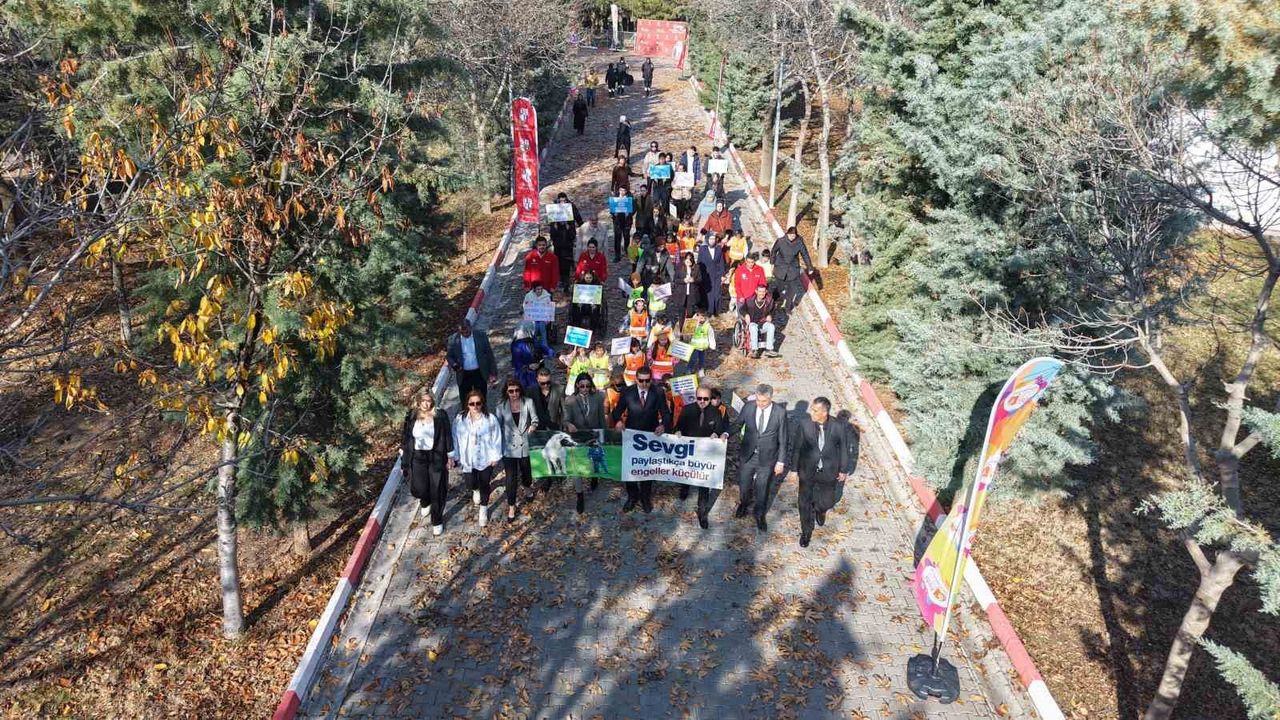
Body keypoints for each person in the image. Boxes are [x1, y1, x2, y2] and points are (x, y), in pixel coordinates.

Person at [787, 396, 856, 547]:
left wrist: (843, 469)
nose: (811, 412)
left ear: (824, 413)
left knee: (828, 501)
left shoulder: (838, 427)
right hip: (807, 470)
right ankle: (806, 531)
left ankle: (820, 509)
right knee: (803, 502)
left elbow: (844, 449)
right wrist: (793, 470)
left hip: (829, 471)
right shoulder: (804, 425)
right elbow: (797, 448)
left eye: (815, 410)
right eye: (812, 409)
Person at [611, 365, 673, 513]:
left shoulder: (658, 392)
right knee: (630, 467)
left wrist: (663, 425)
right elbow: (616, 411)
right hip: (631, 436)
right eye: (641, 381)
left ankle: (645, 497)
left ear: (651, 379)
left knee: (647, 468)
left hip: (650, 436)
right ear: (636, 379)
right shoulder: (627, 392)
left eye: (647, 381)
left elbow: (666, 413)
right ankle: (632, 496)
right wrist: (618, 421)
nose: (644, 384)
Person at [730, 384, 788, 532]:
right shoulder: (749, 407)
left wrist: (780, 461)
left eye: (764, 401)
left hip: (767, 458)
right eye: (758, 400)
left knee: (762, 488)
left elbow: (783, 439)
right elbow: (738, 424)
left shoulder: (780, 413)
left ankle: (760, 514)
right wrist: (725, 434)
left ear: (771, 398)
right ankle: (744, 503)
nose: (760, 404)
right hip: (748, 455)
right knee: (744, 484)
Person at [674, 387, 729, 528]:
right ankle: (684, 488)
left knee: (704, 485)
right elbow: (678, 426)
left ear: (710, 399)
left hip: (706, 454)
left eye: (706, 399)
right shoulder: (687, 410)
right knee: (686, 474)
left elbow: (720, 428)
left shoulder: (716, 412)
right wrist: (678, 431)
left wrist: (717, 433)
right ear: (695, 397)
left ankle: (702, 513)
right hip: (689, 452)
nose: (702, 401)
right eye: (699, 398)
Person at [401, 390, 452, 536]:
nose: (426, 404)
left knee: (437, 489)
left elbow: (447, 435)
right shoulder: (411, 415)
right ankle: (425, 500)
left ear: (432, 401)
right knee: (419, 489)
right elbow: (406, 436)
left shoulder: (440, 415)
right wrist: (404, 456)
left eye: (428, 400)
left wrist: (450, 455)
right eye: (423, 400)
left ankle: (437, 520)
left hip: (436, 455)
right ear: (418, 401)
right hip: (417, 456)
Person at [450, 388, 502, 527]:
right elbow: (455, 437)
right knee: (470, 483)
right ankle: (475, 490)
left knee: (485, 484)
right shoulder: (460, 419)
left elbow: (497, 437)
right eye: (472, 403)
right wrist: (455, 455)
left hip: (485, 458)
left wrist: (495, 456)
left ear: (482, 404)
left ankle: (483, 510)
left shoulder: (490, 419)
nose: (475, 406)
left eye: (478, 403)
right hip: (468, 459)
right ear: (467, 405)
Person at [563, 372, 606, 514]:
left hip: (593, 436)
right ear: (577, 385)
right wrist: (569, 424)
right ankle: (580, 495)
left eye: (588, 386)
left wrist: (604, 435)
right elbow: (565, 419)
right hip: (577, 437)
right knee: (577, 467)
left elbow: (601, 418)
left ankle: (594, 478)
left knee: (594, 460)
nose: (585, 389)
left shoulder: (598, 397)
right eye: (582, 386)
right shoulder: (570, 400)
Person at [498, 379, 538, 520]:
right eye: (511, 391)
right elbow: (498, 427)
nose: (514, 393)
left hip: (524, 444)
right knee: (511, 478)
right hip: (509, 447)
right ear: (506, 392)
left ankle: (527, 487)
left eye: (517, 390)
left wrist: (533, 426)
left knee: (526, 471)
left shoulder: (528, 402)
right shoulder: (501, 407)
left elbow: (535, 418)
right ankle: (511, 505)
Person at [446, 319, 496, 405]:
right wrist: (454, 365)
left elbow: (489, 354)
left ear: (471, 327)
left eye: (467, 331)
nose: (465, 333)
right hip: (463, 374)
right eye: (462, 332)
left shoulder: (481, 336)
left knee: (481, 398)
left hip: (479, 373)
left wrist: (493, 373)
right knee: (465, 400)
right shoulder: (453, 339)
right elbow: (449, 356)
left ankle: (483, 412)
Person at [771, 226, 814, 311]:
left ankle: (788, 307)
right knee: (779, 287)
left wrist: (809, 267)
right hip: (781, 267)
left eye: (793, 236)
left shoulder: (799, 242)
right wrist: (772, 263)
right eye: (790, 235)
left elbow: (805, 254)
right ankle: (773, 303)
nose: (792, 237)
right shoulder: (780, 241)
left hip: (793, 269)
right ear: (787, 234)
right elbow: (773, 251)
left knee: (792, 289)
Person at [548, 193, 584, 291]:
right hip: (557, 239)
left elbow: (578, 217)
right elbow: (551, 223)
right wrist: (554, 227)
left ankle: (566, 280)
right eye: (561, 201)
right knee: (558, 259)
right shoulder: (554, 208)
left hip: (568, 238)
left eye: (564, 201)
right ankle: (561, 278)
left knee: (567, 259)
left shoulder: (571, 206)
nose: (562, 203)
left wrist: (581, 225)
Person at [669, 251, 707, 324]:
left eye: (690, 259)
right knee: (681, 314)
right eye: (687, 259)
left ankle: (689, 328)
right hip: (681, 294)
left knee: (690, 313)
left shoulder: (696, 268)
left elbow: (700, 279)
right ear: (684, 260)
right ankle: (681, 328)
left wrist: (694, 280)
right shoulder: (680, 267)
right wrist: (683, 280)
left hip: (692, 294)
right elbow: (675, 280)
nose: (688, 261)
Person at [527, 366, 565, 437]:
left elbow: (564, 410)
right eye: (542, 383)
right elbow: (528, 412)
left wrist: (565, 424)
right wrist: (530, 425)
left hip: (554, 430)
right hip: (537, 430)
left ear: (551, 378)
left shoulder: (559, 389)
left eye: (548, 382)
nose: (546, 385)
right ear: (537, 380)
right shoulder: (530, 392)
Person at [741, 285, 777, 357]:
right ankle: (754, 350)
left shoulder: (769, 301)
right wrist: (746, 315)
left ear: (766, 292)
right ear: (756, 291)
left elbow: (773, 311)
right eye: (760, 291)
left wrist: (770, 315)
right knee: (753, 327)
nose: (762, 293)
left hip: (763, 322)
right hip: (752, 322)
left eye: (763, 291)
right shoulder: (749, 300)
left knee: (771, 326)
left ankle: (769, 349)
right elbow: (742, 309)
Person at [568, 268, 606, 335]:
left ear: (592, 278)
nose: (588, 279)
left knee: (595, 311)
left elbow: (599, 297)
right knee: (576, 310)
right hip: (581, 304)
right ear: (584, 277)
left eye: (590, 278)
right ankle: (577, 327)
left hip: (592, 304)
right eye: (587, 278)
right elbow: (575, 297)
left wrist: (595, 304)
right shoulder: (579, 284)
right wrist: (578, 303)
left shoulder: (596, 285)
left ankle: (593, 329)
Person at [697, 233, 727, 316]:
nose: (712, 241)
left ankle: (716, 311)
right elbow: (699, 262)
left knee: (717, 294)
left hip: (716, 275)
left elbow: (721, 263)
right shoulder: (703, 249)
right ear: (707, 239)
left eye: (714, 239)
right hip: (706, 275)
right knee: (708, 293)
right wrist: (699, 274)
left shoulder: (718, 249)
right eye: (710, 239)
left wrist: (722, 274)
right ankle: (708, 310)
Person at [523, 282, 555, 350]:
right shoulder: (528, 296)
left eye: (541, 289)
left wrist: (547, 318)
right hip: (532, 318)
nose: (540, 290)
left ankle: (542, 344)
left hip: (543, 319)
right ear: (534, 290)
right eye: (538, 289)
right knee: (536, 326)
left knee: (541, 325)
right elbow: (525, 307)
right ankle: (540, 344)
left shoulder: (546, 296)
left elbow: (549, 309)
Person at [684, 308, 715, 377]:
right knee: (693, 358)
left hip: (703, 346)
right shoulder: (693, 323)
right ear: (697, 316)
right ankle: (689, 369)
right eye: (700, 318)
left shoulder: (708, 326)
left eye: (704, 318)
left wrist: (712, 345)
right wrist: (686, 338)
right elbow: (687, 332)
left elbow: (711, 335)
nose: (702, 319)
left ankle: (701, 369)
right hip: (694, 346)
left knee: (702, 359)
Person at [609, 186, 634, 262]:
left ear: (626, 191)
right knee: (617, 238)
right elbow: (611, 209)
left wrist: (629, 213)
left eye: (624, 191)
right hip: (617, 222)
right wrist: (614, 214)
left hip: (627, 221)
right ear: (619, 190)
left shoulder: (629, 199)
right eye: (621, 190)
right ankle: (617, 255)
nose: (622, 192)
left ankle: (627, 251)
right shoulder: (615, 199)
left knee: (626, 237)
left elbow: (634, 208)